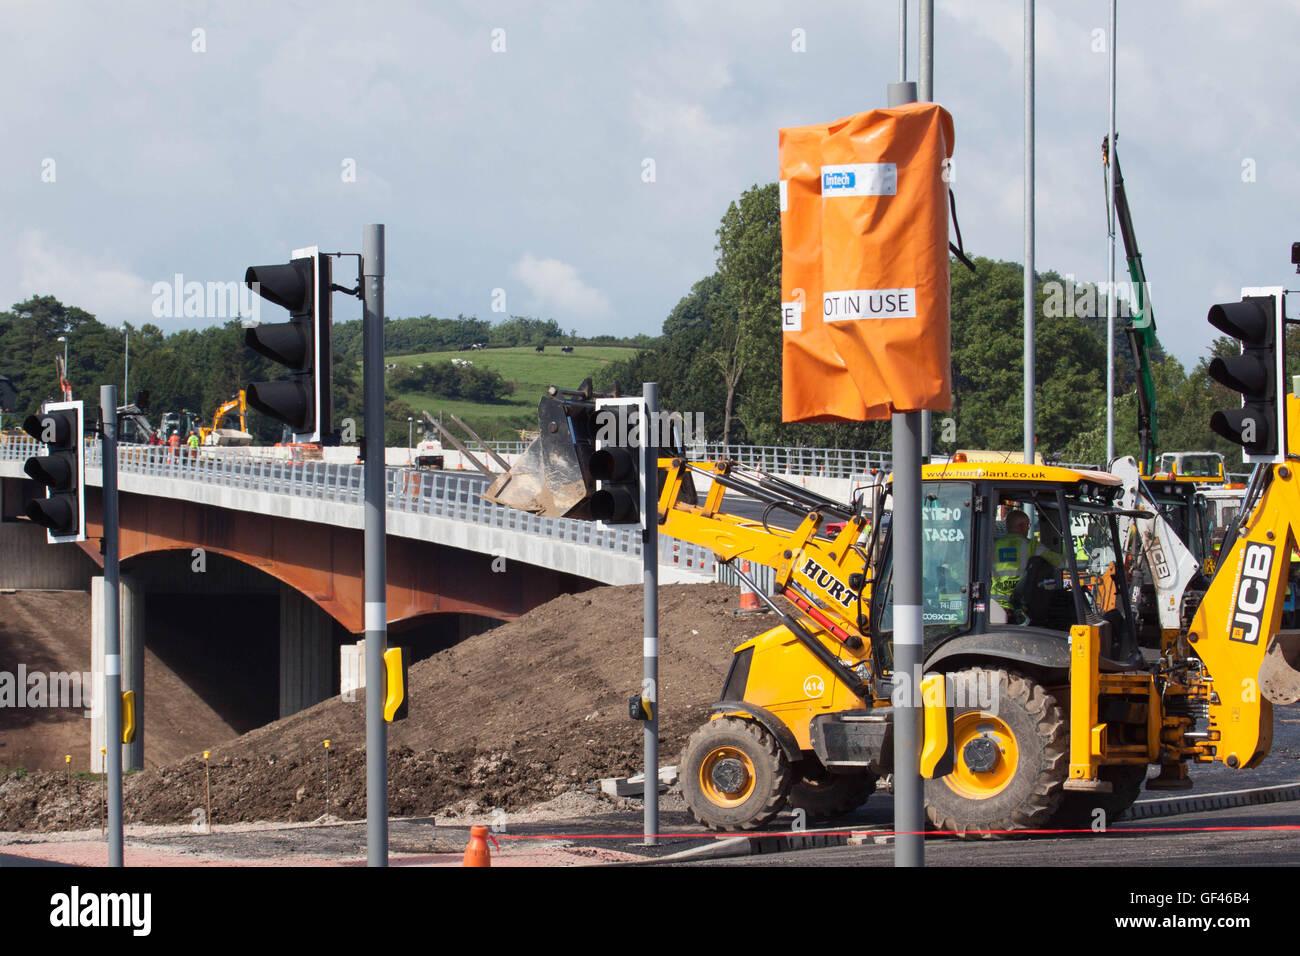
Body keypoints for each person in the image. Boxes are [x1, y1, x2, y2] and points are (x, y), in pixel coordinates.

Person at [991, 508, 1062, 620]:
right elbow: (1059, 562)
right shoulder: (1031, 545)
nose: (1028, 529)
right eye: (1028, 526)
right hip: (1021, 606)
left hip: (996, 605)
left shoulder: (994, 546)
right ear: (1021, 526)